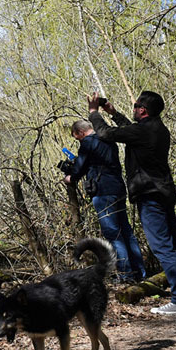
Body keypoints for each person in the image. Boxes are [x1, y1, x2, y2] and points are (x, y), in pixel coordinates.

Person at [87, 90, 176, 315]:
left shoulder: (144, 131)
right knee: (175, 244)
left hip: (149, 194)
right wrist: (114, 113)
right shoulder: (158, 129)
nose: (134, 108)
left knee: (163, 247)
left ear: (143, 110)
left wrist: (94, 113)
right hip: (163, 191)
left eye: (136, 105)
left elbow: (106, 134)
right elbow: (132, 132)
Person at [64, 119, 146, 282]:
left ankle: (126, 275)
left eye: (77, 138)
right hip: (118, 188)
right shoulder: (108, 139)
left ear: (81, 133)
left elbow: (79, 169)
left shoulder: (87, 143)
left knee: (114, 234)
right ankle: (139, 272)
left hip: (103, 192)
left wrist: (70, 177)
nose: (79, 141)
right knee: (126, 231)